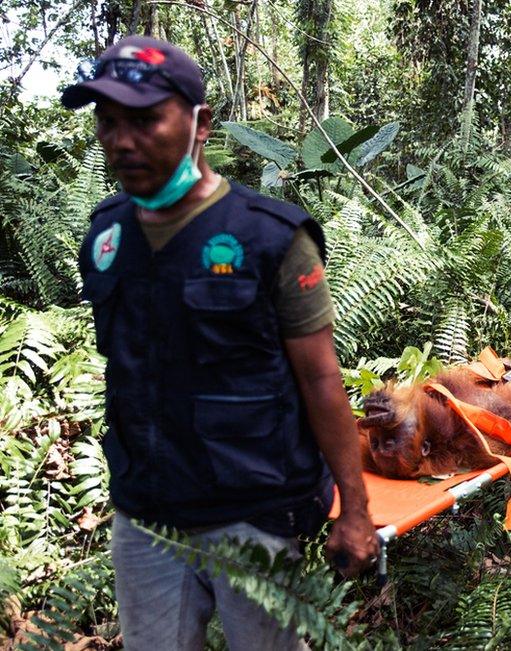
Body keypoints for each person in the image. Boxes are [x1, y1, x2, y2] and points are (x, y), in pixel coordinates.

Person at [62, 36, 377, 649]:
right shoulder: (107, 236)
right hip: (146, 514)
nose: (122, 141)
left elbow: (320, 380)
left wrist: (356, 510)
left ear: (201, 124)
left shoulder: (270, 238)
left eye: (146, 119)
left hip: (253, 515)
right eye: (109, 122)